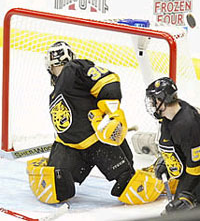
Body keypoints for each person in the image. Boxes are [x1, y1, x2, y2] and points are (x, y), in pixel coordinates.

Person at [26, 41, 164, 205]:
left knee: (134, 189)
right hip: (70, 148)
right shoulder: (58, 90)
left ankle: (162, 172)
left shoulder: (74, 69)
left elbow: (108, 82)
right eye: (57, 65)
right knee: (53, 190)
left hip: (99, 144)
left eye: (59, 64)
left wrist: (113, 114)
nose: (59, 68)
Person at [146, 77, 200, 213]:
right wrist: (168, 160)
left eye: (153, 100)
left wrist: (189, 196)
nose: (152, 104)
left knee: (177, 213)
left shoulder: (187, 125)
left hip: (196, 178)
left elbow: (196, 167)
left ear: (162, 99)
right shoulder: (168, 117)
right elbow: (178, 147)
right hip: (190, 174)